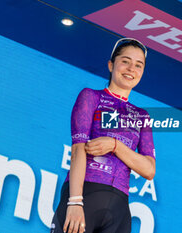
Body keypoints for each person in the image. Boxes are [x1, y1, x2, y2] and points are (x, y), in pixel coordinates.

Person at [50, 38, 156, 233]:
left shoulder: (142, 116)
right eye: (125, 61)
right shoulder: (91, 96)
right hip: (85, 195)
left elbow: (149, 170)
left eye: (138, 65)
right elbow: (77, 150)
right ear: (111, 64)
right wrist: (75, 201)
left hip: (119, 209)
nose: (131, 68)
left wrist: (115, 145)